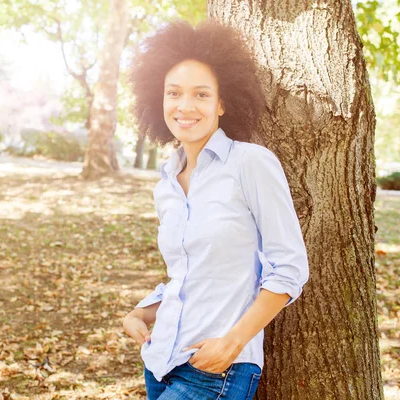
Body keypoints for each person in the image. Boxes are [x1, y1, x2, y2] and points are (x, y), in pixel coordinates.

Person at [123, 19, 309, 400]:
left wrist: (233, 343)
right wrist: (142, 312)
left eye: (201, 95)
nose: (185, 106)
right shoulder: (167, 183)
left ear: (223, 103)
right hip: (160, 361)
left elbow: (289, 268)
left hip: (215, 368)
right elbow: (188, 275)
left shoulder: (250, 163)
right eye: (173, 93)